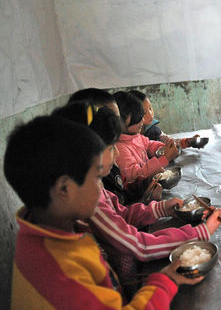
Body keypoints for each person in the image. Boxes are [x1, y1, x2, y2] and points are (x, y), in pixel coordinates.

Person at [4, 115, 202, 309]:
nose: (102, 189)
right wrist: (165, 282)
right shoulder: (59, 273)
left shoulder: (59, 227)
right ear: (65, 188)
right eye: (97, 177)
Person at [52, 101, 221, 298]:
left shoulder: (93, 185)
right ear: (88, 153)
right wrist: (200, 232)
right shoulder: (89, 199)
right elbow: (139, 246)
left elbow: (121, 214)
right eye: (111, 148)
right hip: (123, 281)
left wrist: (162, 208)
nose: (116, 154)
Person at [114, 91, 178, 184]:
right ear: (120, 122)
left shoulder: (135, 135)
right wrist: (165, 159)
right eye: (136, 119)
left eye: (141, 116)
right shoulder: (119, 148)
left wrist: (163, 148)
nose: (142, 121)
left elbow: (148, 145)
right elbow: (135, 176)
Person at [129, 89, 200, 148]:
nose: (150, 114)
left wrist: (187, 142)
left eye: (150, 108)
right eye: (144, 113)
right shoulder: (130, 137)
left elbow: (169, 141)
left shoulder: (153, 130)